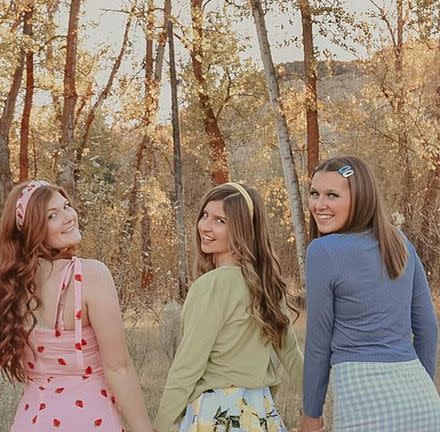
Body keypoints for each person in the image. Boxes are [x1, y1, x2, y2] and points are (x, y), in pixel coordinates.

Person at [0, 180, 154, 432]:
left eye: (66, 206)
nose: (69, 217)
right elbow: (118, 367)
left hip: (31, 423)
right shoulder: (90, 275)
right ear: (33, 230)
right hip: (90, 421)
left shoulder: (10, 290)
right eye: (52, 215)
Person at [300, 156, 440, 432]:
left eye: (332, 195)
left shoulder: (322, 252)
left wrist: (311, 416)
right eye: (314, 193)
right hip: (423, 399)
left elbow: (318, 343)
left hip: (363, 398)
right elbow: (428, 328)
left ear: (360, 198)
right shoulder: (401, 242)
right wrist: (420, 385)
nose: (319, 205)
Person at [154, 182, 303, 432]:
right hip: (260, 412)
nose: (205, 226)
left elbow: (187, 366)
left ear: (242, 230)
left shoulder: (212, 285)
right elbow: (292, 356)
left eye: (220, 221)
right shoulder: (268, 286)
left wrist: (159, 425)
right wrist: (315, 409)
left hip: (217, 414)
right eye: (205, 215)